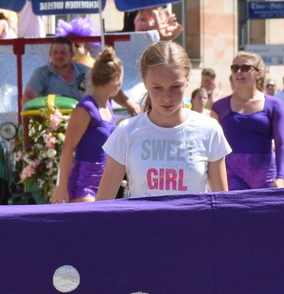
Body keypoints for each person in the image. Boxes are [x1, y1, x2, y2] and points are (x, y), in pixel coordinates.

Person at [98, 41, 228, 197]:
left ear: (188, 79)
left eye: (175, 86)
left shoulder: (210, 130)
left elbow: (221, 202)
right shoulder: (126, 132)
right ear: (145, 82)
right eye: (157, 87)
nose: (166, 97)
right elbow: (103, 203)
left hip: (194, 222)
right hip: (142, 222)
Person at [53, 46, 122, 203]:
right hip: (83, 185)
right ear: (115, 79)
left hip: (104, 183)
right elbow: (68, 147)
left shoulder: (107, 105)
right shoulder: (86, 108)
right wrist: (61, 186)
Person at [211, 51, 284, 190]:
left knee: (265, 211)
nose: (239, 72)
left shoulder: (274, 105)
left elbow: (281, 144)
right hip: (231, 175)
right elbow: (212, 148)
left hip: (265, 175)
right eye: (235, 68)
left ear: (259, 73)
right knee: (235, 211)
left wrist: (281, 177)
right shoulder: (219, 107)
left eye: (246, 68)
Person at [25, 38, 91, 100]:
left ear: (72, 55)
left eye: (63, 53)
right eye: (55, 52)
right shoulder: (41, 74)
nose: (58, 56)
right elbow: (28, 96)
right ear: (50, 54)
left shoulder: (86, 72)